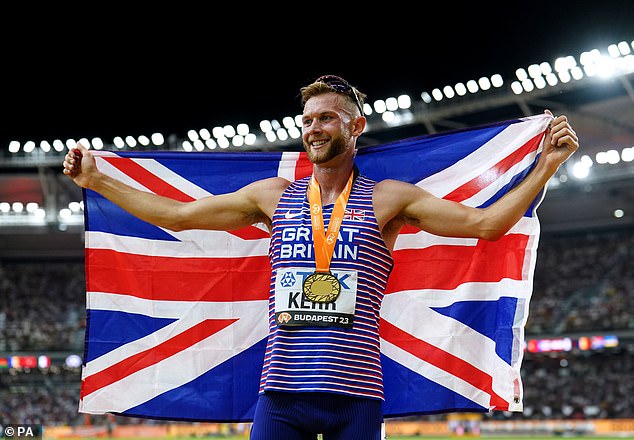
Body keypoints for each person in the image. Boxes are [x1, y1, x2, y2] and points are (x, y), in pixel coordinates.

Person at [63, 74, 579, 439]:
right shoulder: (273, 196)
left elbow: (485, 225)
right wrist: (98, 179)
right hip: (281, 393)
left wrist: (547, 166)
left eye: (328, 118)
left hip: (356, 396)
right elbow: (176, 217)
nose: (314, 128)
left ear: (355, 128)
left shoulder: (389, 199)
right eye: (308, 119)